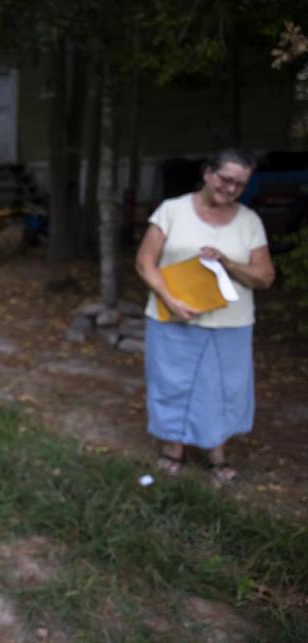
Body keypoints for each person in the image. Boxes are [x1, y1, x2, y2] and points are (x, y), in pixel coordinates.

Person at [135, 148, 275, 483]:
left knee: (225, 389)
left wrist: (228, 262)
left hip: (232, 323)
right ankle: (174, 448)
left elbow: (265, 277)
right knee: (172, 382)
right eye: (226, 179)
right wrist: (169, 300)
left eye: (239, 185)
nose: (230, 189)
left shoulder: (249, 221)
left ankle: (216, 452)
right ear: (207, 173)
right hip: (172, 316)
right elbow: (144, 262)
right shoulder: (172, 211)